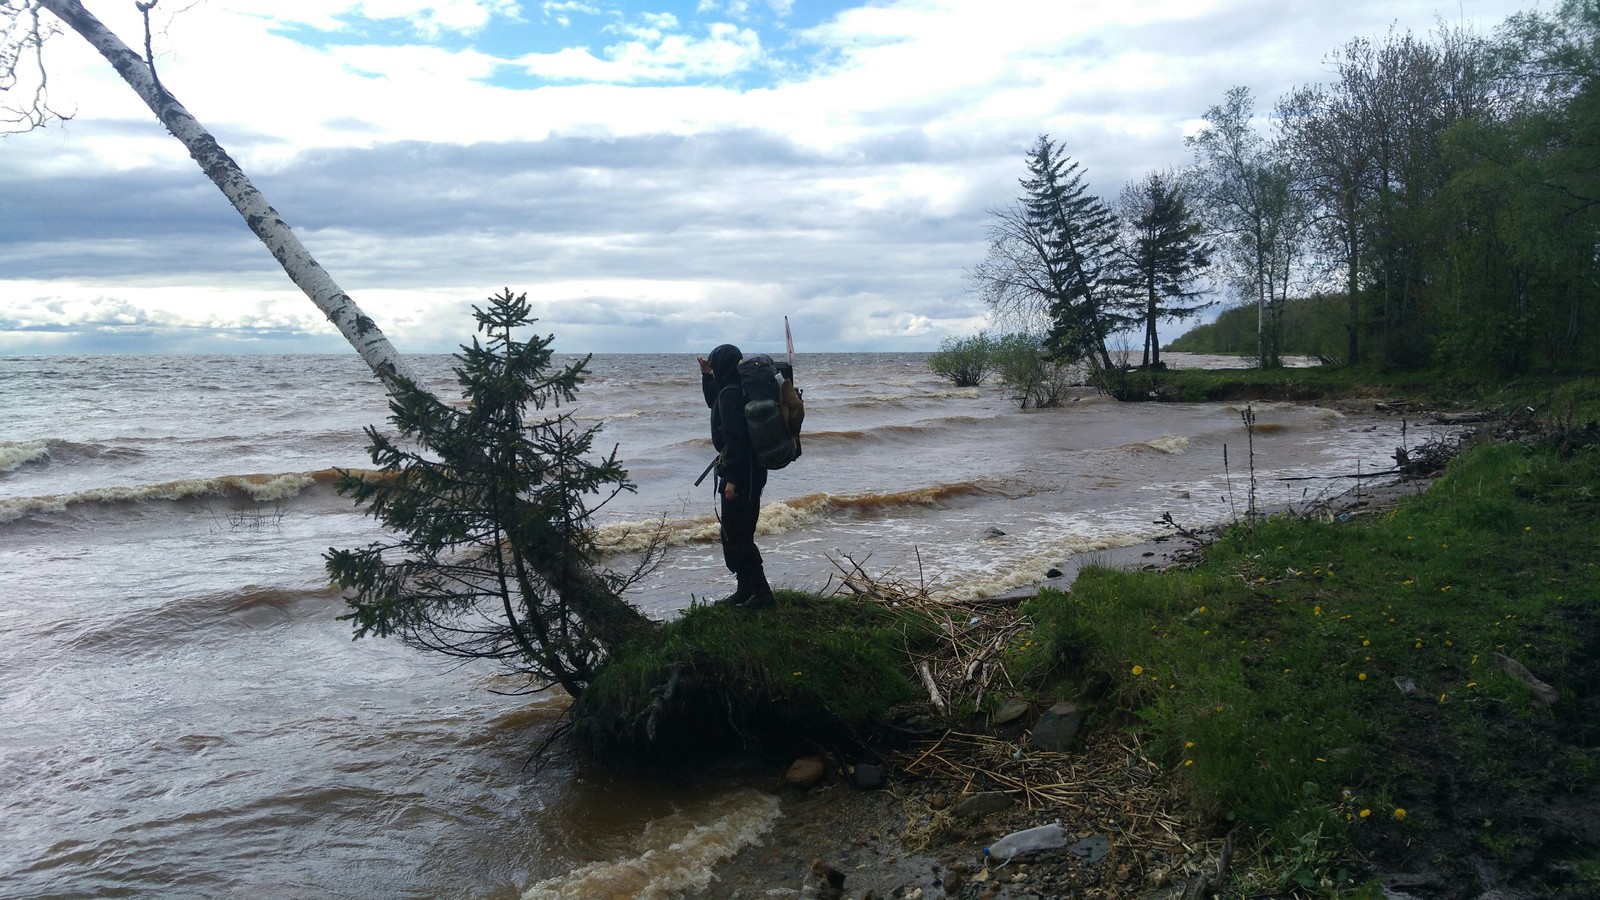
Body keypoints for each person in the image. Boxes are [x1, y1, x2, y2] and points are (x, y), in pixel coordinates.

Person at [699, 344, 774, 609]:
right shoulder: (732, 389)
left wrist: (731, 479)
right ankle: (745, 590)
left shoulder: (731, 394)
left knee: (738, 534)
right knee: (735, 532)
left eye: (714, 363)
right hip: (750, 470)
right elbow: (713, 401)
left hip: (741, 473)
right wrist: (706, 375)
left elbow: (736, 439)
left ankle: (763, 594)